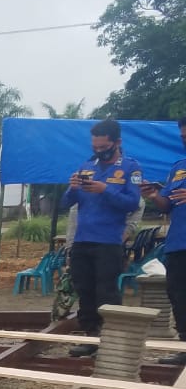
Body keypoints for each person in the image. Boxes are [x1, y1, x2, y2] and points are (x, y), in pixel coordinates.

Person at [60, 119, 144, 357]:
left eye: (102, 146)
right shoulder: (87, 166)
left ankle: (111, 340)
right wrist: (73, 187)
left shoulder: (130, 168)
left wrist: (105, 189)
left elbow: (132, 203)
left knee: (106, 292)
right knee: (84, 290)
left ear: (117, 142)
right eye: (94, 147)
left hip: (108, 241)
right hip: (82, 240)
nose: (98, 151)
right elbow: (66, 203)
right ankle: (91, 337)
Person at [141, 116, 186, 366]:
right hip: (179, 243)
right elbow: (167, 205)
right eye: (183, 138)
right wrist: (155, 195)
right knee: (179, 296)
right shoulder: (179, 166)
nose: (185, 142)